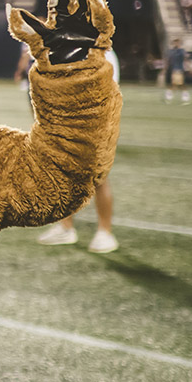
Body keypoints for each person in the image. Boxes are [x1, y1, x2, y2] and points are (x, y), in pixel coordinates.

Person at [39, 47, 121, 253]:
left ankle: (105, 232)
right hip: (66, 121)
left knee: (99, 178)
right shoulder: (66, 49)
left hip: (94, 122)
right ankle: (66, 228)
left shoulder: (102, 52)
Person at [164, 35, 189, 103]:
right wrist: (165, 68)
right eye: (175, 43)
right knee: (176, 84)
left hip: (180, 69)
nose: (176, 44)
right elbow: (168, 60)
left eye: (178, 43)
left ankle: (169, 97)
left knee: (179, 84)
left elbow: (186, 59)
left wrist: (190, 68)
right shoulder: (171, 51)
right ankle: (184, 97)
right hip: (173, 70)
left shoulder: (182, 51)